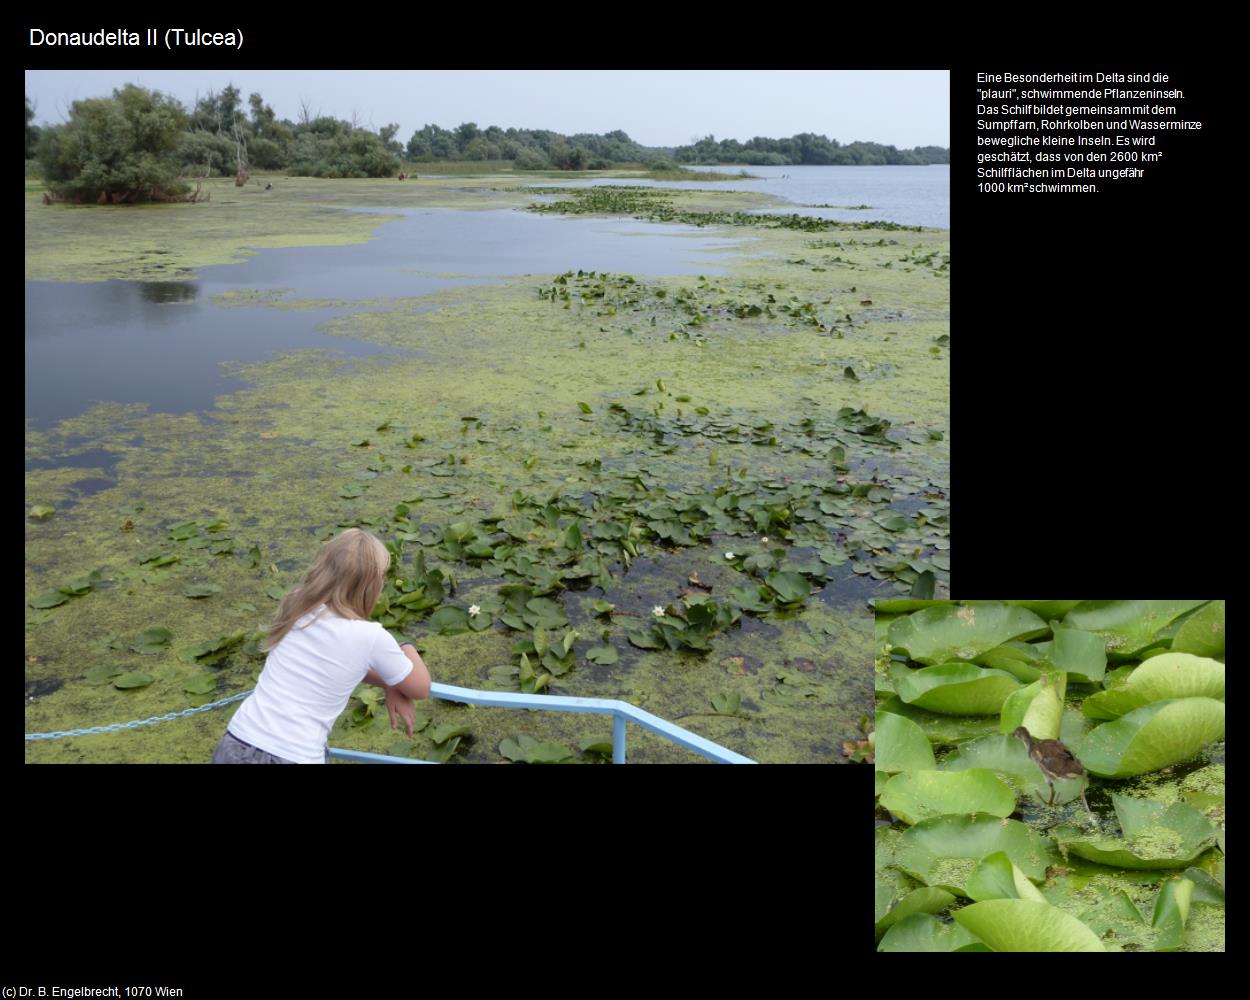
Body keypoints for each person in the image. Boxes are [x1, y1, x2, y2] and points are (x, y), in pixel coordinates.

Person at [211, 528, 431, 764]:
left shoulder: (297, 605)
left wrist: (389, 681)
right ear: (372, 584)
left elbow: (336, 666)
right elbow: (420, 688)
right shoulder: (372, 636)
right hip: (293, 756)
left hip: (237, 741)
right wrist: (406, 647)